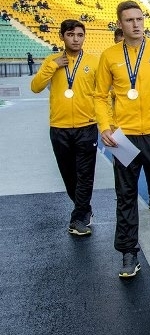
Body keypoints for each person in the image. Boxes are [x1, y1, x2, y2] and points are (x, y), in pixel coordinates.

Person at [95, 0, 150, 278]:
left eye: (139, 19)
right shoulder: (109, 55)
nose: (136, 24)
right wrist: (105, 126)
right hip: (124, 138)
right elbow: (99, 95)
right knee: (125, 195)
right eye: (129, 20)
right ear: (120, 24)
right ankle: (128, 253)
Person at [31, 20, 100, 236]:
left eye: (80, 35)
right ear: (62, 37)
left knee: (85, 174)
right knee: (69, 175)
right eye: (71, 35)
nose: (76, 39)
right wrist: (53, 66)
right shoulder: (51, 61)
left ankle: (78, 218)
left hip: (87, 126)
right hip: (59, 127)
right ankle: (84, 209)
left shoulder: (93, 62)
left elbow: (102, 94)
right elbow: (35, 87)